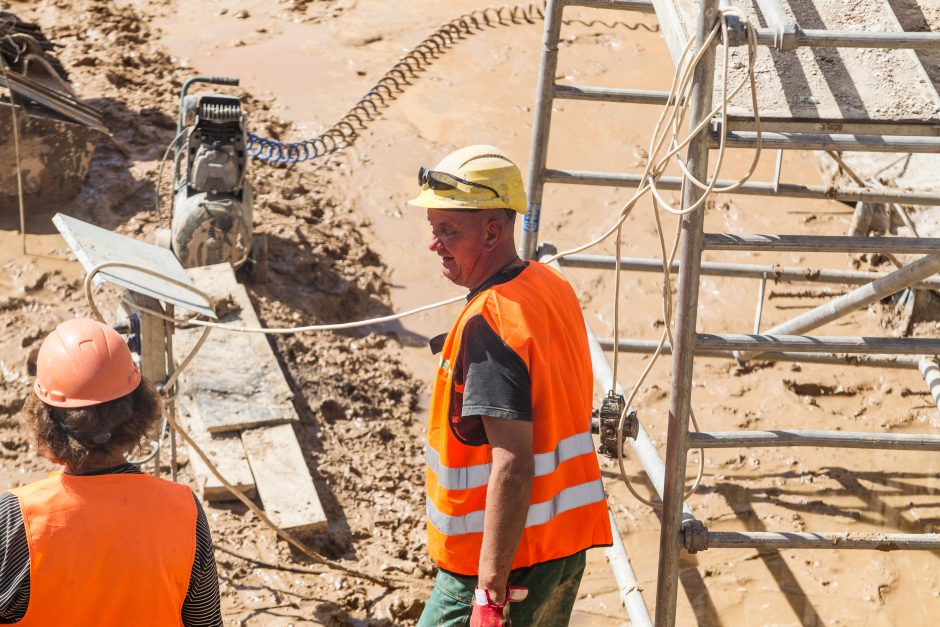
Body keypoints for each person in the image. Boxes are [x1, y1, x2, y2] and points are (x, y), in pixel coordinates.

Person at [410, 145, 612, 626]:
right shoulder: (549, 286)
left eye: (448, 231)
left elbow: (514, 462)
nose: (434, 244)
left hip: (501, 565)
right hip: (561, 550)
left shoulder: (491, 321)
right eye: (433, 229)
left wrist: (488, 591)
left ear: (493, 232)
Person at [0, 318, 222, 626]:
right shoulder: (184, 510)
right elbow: (205, 622)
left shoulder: (15, 517)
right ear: (139, 410)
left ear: (45, 422)